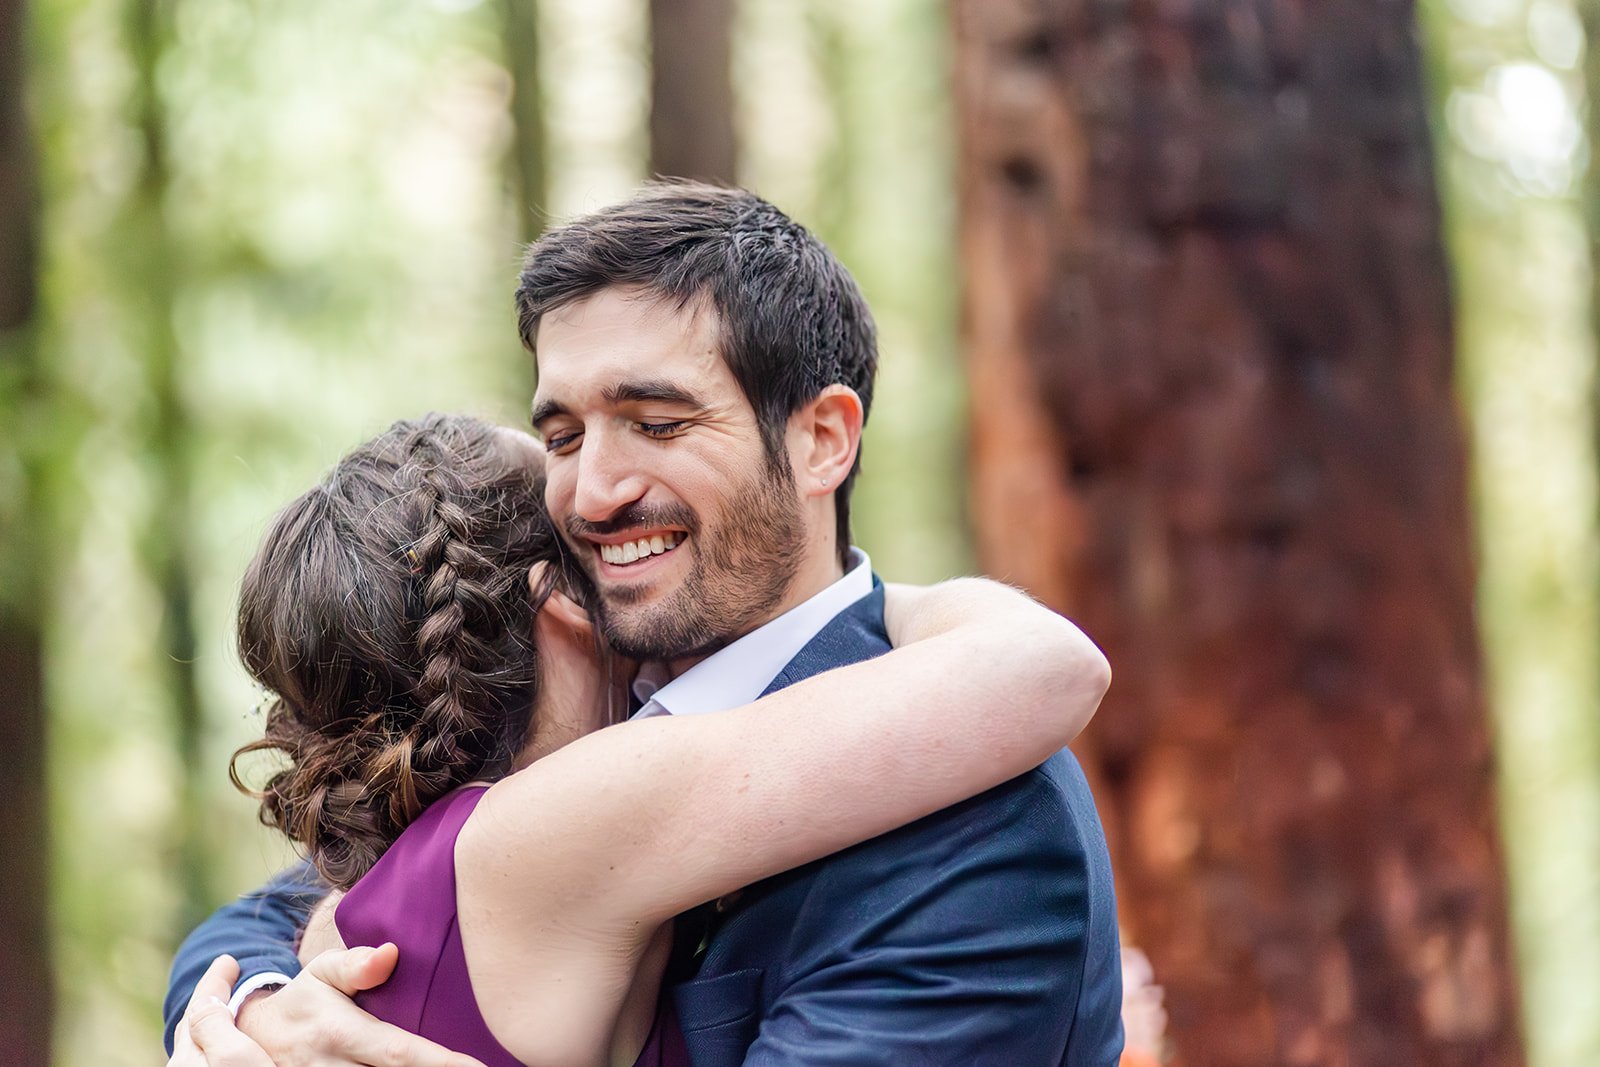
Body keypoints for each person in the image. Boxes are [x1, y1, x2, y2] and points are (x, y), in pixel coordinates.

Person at [166, 182, 1126, 1065]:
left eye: (658, 422)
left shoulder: (983, 807)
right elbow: (267, 912)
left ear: (822, 438)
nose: (593, 490)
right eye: (562, 436)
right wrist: (246, 1002)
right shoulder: (576, 726)